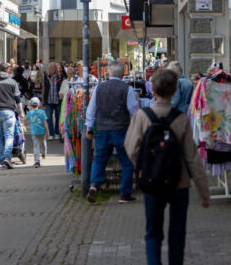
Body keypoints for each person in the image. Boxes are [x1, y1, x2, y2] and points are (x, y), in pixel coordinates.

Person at [124, 69, 210, 264]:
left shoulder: (141, 116)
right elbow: (193, 158)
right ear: (174, 91)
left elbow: (130, 148)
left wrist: (146, 166)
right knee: (177, 234)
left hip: (152, 182)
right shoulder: (181, 119)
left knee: (153, 232)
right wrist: (204, 192)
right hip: (179, 183)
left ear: (152, 89)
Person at [85, 61, 139, 204]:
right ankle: (125, 194)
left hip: (102, 129)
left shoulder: (99, 88)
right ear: (123, 74)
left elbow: (91, 109)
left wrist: (89, 127)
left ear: (108, 73)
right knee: (127, 162)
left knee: (99, 159)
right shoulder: (127, 89)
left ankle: (94, 185)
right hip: (121, 129)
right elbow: (134, 110)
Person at [42, 63, 64, 142]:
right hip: (49, 100)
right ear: (49, 69)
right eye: (51, 67)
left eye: (55, 67)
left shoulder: (60, 77)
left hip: (58, 101)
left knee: (58, 117)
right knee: (48, 117)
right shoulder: (46, 77)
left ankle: (57, 132)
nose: (53, 69)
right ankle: (51, 134)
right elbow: (44, 88)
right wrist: (43, 100)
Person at [25, 97, 49, 168]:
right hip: (42, 132)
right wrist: (47, 131)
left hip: (34, 132)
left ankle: (37, 161)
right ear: (39, 105)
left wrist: (21, 119)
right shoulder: (42, 112)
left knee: (36, 146)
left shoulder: (30, 113)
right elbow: (45, 122)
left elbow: (25, 120)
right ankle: (44, 153)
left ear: (31, 105)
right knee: (43, 143)